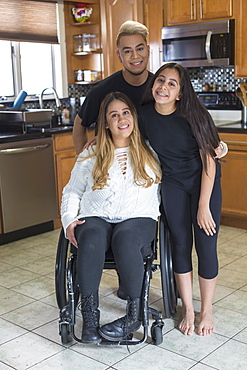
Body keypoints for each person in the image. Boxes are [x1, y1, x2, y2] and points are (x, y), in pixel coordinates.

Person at [61, 92, 161, 344]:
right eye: (113, 115)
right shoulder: (91, 153)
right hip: (96, 216)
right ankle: (90, 318)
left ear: (134, 117)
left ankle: (134, 316)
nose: (121, 119)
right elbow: (72, 190)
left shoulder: (151, 150)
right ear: (105, 123)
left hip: (138, 218)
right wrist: (68, 220)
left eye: (126, 112)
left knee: (126, 238)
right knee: (92, 235)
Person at [138, 62, 222, 337]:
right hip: (172, 183)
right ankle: (188, 308)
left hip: (204, 184)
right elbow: (124, 135)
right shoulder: (144, 115)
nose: (163, 86)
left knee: (206, 245)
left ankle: (206, 309)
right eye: (160, 80)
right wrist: (97, 139)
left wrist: (203, 206)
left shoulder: (195, 116)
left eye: (171, 84)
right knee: (179, 245)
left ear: (180, 94)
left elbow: (209, 161)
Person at [73, 20, 152, 154]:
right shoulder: (102, 90)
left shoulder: (159, 89)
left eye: (140, 49)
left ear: (148, 50)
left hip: (149, 167)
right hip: (111, 166)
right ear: (119, 56)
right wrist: (84, 161)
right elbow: (80, 126)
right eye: (127, 51)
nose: (135, 56)